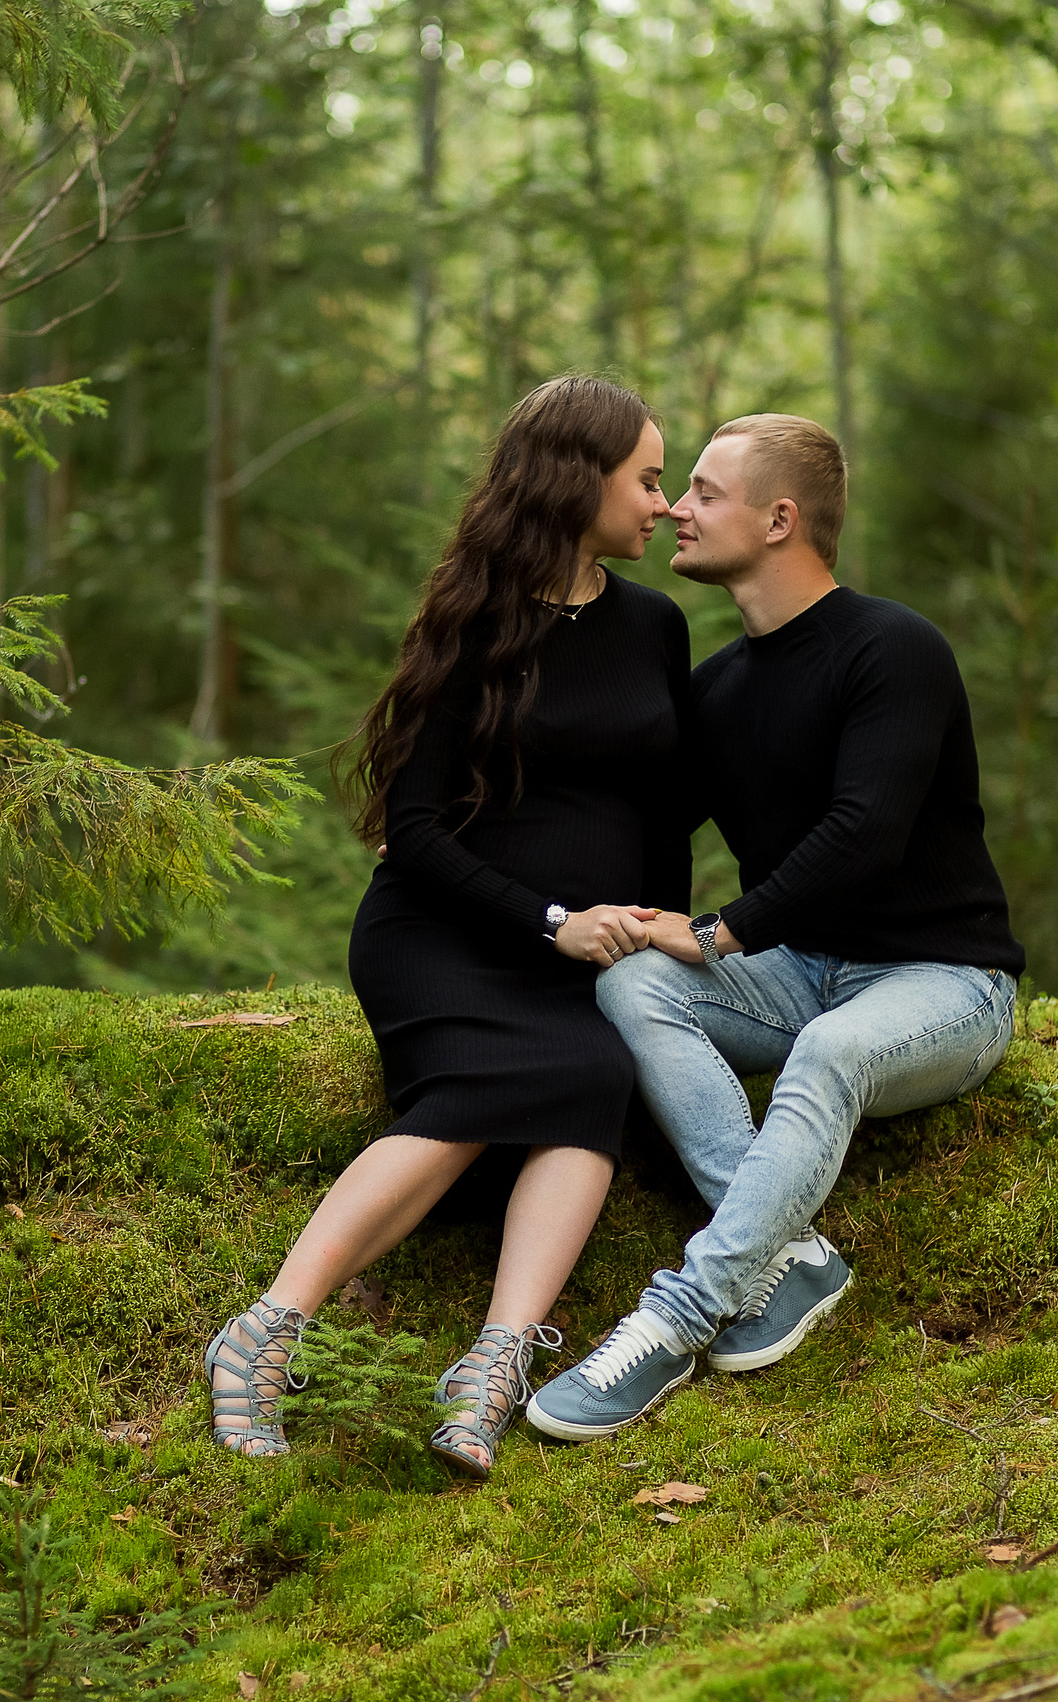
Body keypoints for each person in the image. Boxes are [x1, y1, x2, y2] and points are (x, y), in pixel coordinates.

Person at [204, 376, 690, 1477]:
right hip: (445, 935)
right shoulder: (474, 623)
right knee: (487, 1084)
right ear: (579, 480)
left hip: (582, 954)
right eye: (649, 478)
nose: (661, 504)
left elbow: (662, 810)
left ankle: (493, 1363)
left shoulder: (656, 626)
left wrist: (662, 932)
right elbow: (413, 832)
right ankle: (265, 1332)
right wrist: (553, 922)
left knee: (592, 1078)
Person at [525, 413, 1026, 1442]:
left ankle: (677, 1317)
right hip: (802, 972)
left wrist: (717, 928)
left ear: (781, 517)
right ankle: (791, 1258)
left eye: (703, 491)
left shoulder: (894, 650)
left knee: (831, 1053)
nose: (674, 507)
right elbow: (633, 816)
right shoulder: (718, 689)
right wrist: (465, 835)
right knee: (632, 983)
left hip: (944, 984)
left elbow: (864, 833)